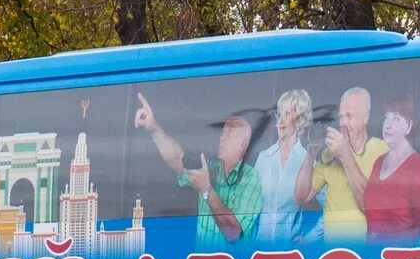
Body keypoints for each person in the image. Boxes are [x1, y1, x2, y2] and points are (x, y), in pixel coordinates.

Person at [134, 94, 262, 246]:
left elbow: (232, 232)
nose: (222, 137)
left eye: (230, 133)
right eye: (223, 132)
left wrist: (206, 190)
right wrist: (154, 128)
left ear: (243, 145)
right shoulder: (210, 167)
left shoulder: (252, 178)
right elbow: (176, 158)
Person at [296, 86, 383, 241]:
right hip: (333, 253)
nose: (343, 123)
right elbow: (301, 197)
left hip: (366, 253)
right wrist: (311, 156)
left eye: (349, 116)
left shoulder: (381, 150)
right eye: (341, 117)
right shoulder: (328, 155)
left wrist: (345, 155)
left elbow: (371, 207)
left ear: (366, 117)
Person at [359, 96, 420, 239]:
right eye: (387, 117)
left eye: (396, 119)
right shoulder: (379, 162)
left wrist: (414, 258)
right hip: (373, 255)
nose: (388, 125)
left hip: (401, 257)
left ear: (409, 126)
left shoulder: (418, 168)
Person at [254, 87, 320, 242]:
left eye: (287, 113)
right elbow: (248, 206)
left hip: (289, 255)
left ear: (299, 119)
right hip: (258, 253)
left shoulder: (309, 161)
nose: (280, 120)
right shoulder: (263, 158)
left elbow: (332, 207)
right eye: (280, 114)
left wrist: (309, 239)